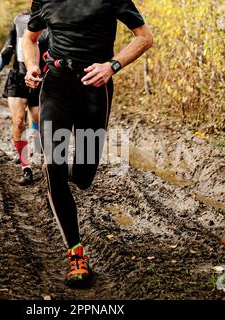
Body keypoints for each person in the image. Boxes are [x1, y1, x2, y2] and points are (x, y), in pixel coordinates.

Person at [23, 0, 153, 286]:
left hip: (94, 89)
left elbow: (144, 37)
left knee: (83, 176)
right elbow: (30, 38)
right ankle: (76, 255)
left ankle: (70, 174)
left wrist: (112, 66)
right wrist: (32, 66)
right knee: (53, 166)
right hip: (55, 86)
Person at [0, 9, 48, 185]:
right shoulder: (18, 24)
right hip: (17, 77)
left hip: (40, 78)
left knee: (39, 120)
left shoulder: (49, 26)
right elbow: (7, 50)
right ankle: (26, 166)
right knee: (18, 122)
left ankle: (43, 155)